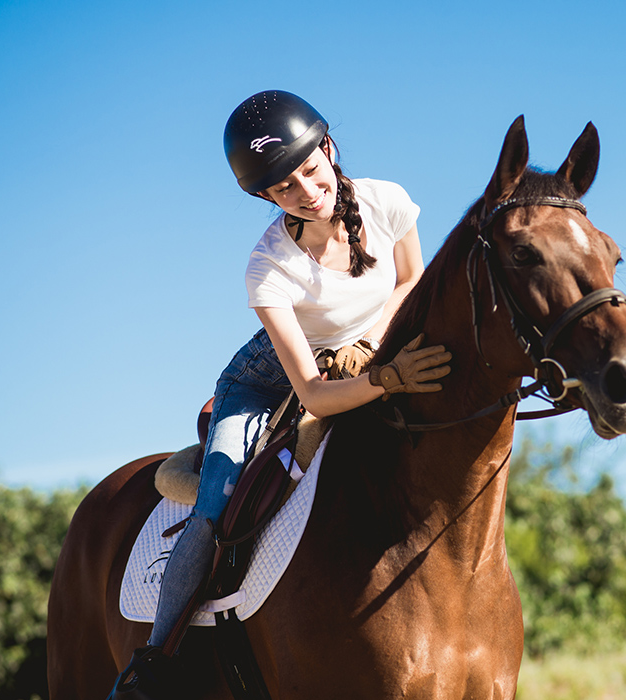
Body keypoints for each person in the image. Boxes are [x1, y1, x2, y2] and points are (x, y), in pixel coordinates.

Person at [108, 90, 451, 698]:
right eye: (284, 188)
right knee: (214, 509)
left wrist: (372, 345)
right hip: (266, 382)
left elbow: (410, 279)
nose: (308, 191)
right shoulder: (267, 268)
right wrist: (388, 379)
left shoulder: (386, 200)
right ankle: (154, 664)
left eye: (311, 170)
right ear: (266, 198)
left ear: (329, 147)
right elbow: (315, 396)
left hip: (366, 356)